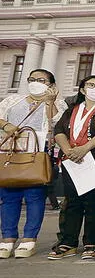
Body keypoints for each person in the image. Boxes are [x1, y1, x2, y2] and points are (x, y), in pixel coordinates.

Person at [0, 69, 67, 259]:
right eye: (32, 79)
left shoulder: (58, 103)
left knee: (35, 197)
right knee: (8, 197)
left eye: (41, 80)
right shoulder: (12, 100)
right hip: (10, 153)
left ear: (51, 85)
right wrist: (6, 126)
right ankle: (7, 238)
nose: (35, 82)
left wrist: (50, 102)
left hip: (37, 154)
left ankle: (29, 238)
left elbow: (56, 123)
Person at [49, 75, 95, 260]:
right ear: (82, 89)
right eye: (91, 85)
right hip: (72, 161)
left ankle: (91, 242)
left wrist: (84, 149)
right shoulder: (72, 110)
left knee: (93, 203)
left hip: (94, 159)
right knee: (71, 202)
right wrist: (69, 150)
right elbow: (60, 131)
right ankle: (68, 242)